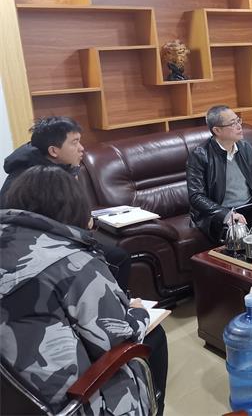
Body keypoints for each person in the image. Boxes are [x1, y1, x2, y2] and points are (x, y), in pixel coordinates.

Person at [1, 165, 168, 415]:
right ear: (75, 207)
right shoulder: (73, 262)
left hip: (15, 396)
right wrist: (138, 312)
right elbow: (117, 338)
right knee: (154, 336)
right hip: (70, 402)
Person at [0, 116, 131, 290]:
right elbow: (56, 225)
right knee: (117, 258)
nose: (81, 148)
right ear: (54, 151)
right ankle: (115, 304)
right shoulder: (39, 178)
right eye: (74, 142)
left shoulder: (55, 167)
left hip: (46, 239)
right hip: (30, 249)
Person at [187, 105, 252, 242]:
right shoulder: (200, 155)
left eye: (238, 120)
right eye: (232, 123)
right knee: (240, 235)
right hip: (219, 213)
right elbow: (196, 196)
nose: (239, 126)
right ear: (217, 130)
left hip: (249, 206)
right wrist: (226, 214)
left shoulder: (246, 147)